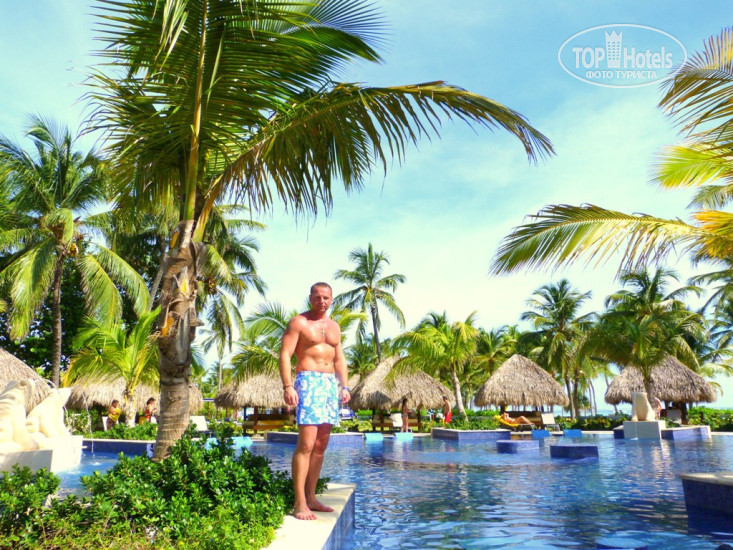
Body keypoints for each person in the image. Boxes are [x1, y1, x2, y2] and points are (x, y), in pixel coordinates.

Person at [280, 282, 350, 521]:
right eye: (318, 297)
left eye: (326, 297)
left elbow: (339, 359)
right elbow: (285, 354)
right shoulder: (299, 322)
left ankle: (311, 497)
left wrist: (344, 385)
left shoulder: (334, 327)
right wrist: (288, 386)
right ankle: (299, 502)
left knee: (321, 445)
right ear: (310, 298)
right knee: (307, 444)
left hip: (329, 384)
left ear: (331, 299)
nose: (322, 301)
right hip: (308, 381)